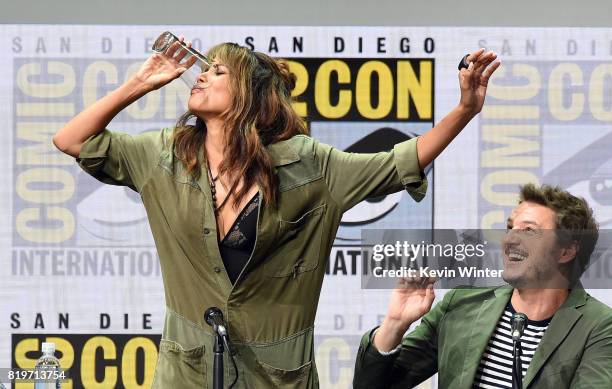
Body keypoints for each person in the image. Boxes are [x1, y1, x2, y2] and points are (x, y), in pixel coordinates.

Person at [52, 37, 499, 388]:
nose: (200, 78)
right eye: (202, 70)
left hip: (278, 379)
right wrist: (140, 83)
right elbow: (73, 140)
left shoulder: (312, 166)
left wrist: (464, 109)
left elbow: (401, 161)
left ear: (250, 93)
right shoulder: (164, 155)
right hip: (185, 374)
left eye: (217, 71)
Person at [353, 184, 612, 389]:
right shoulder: (463, 303)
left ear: (566, 251)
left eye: (529, 231)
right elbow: (372, 385)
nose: (509, 239)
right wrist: (395, 324)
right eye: (510, 228)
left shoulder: (599, 327)